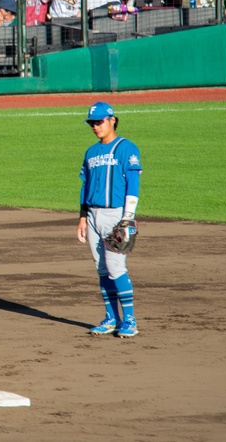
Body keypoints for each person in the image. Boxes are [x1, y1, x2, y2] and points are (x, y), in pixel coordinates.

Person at [76, 102, 142, 339]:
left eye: (100, 121)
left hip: (116, 215)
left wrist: (128, 218)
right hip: (93, 215)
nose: (96, 126)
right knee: (102, 268)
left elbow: (133, 185)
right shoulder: (91, 152)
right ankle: (111, 318)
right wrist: (83, 217)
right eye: (92, 123)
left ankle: (130, 320)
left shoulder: (127, 148)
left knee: (116, 267)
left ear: (112, 120)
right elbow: (85, 186)